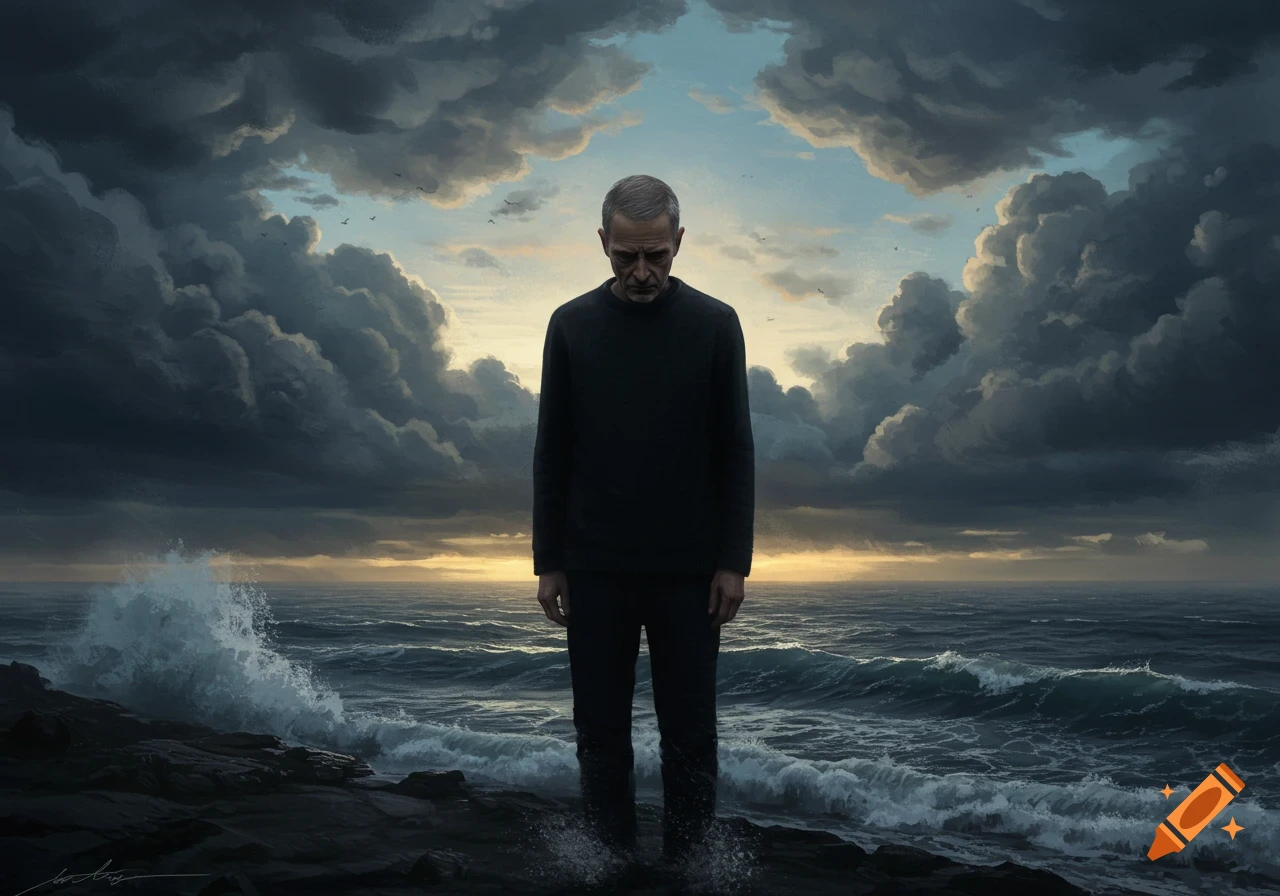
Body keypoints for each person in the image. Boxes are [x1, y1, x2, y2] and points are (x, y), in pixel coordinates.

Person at [531, 173, 755, 874]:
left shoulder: (716, 324)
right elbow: (552, 447)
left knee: (690, 733)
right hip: (593, 564)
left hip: (691, 569)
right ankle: (609, 859)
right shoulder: (570, 325)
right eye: (625, 255)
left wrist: (734, 562)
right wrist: (548, 560)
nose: (641, 271)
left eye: (656, 255)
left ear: (678, 242)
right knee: (599, 730)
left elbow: (736, 447)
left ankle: (691, 863)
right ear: (602, 242)